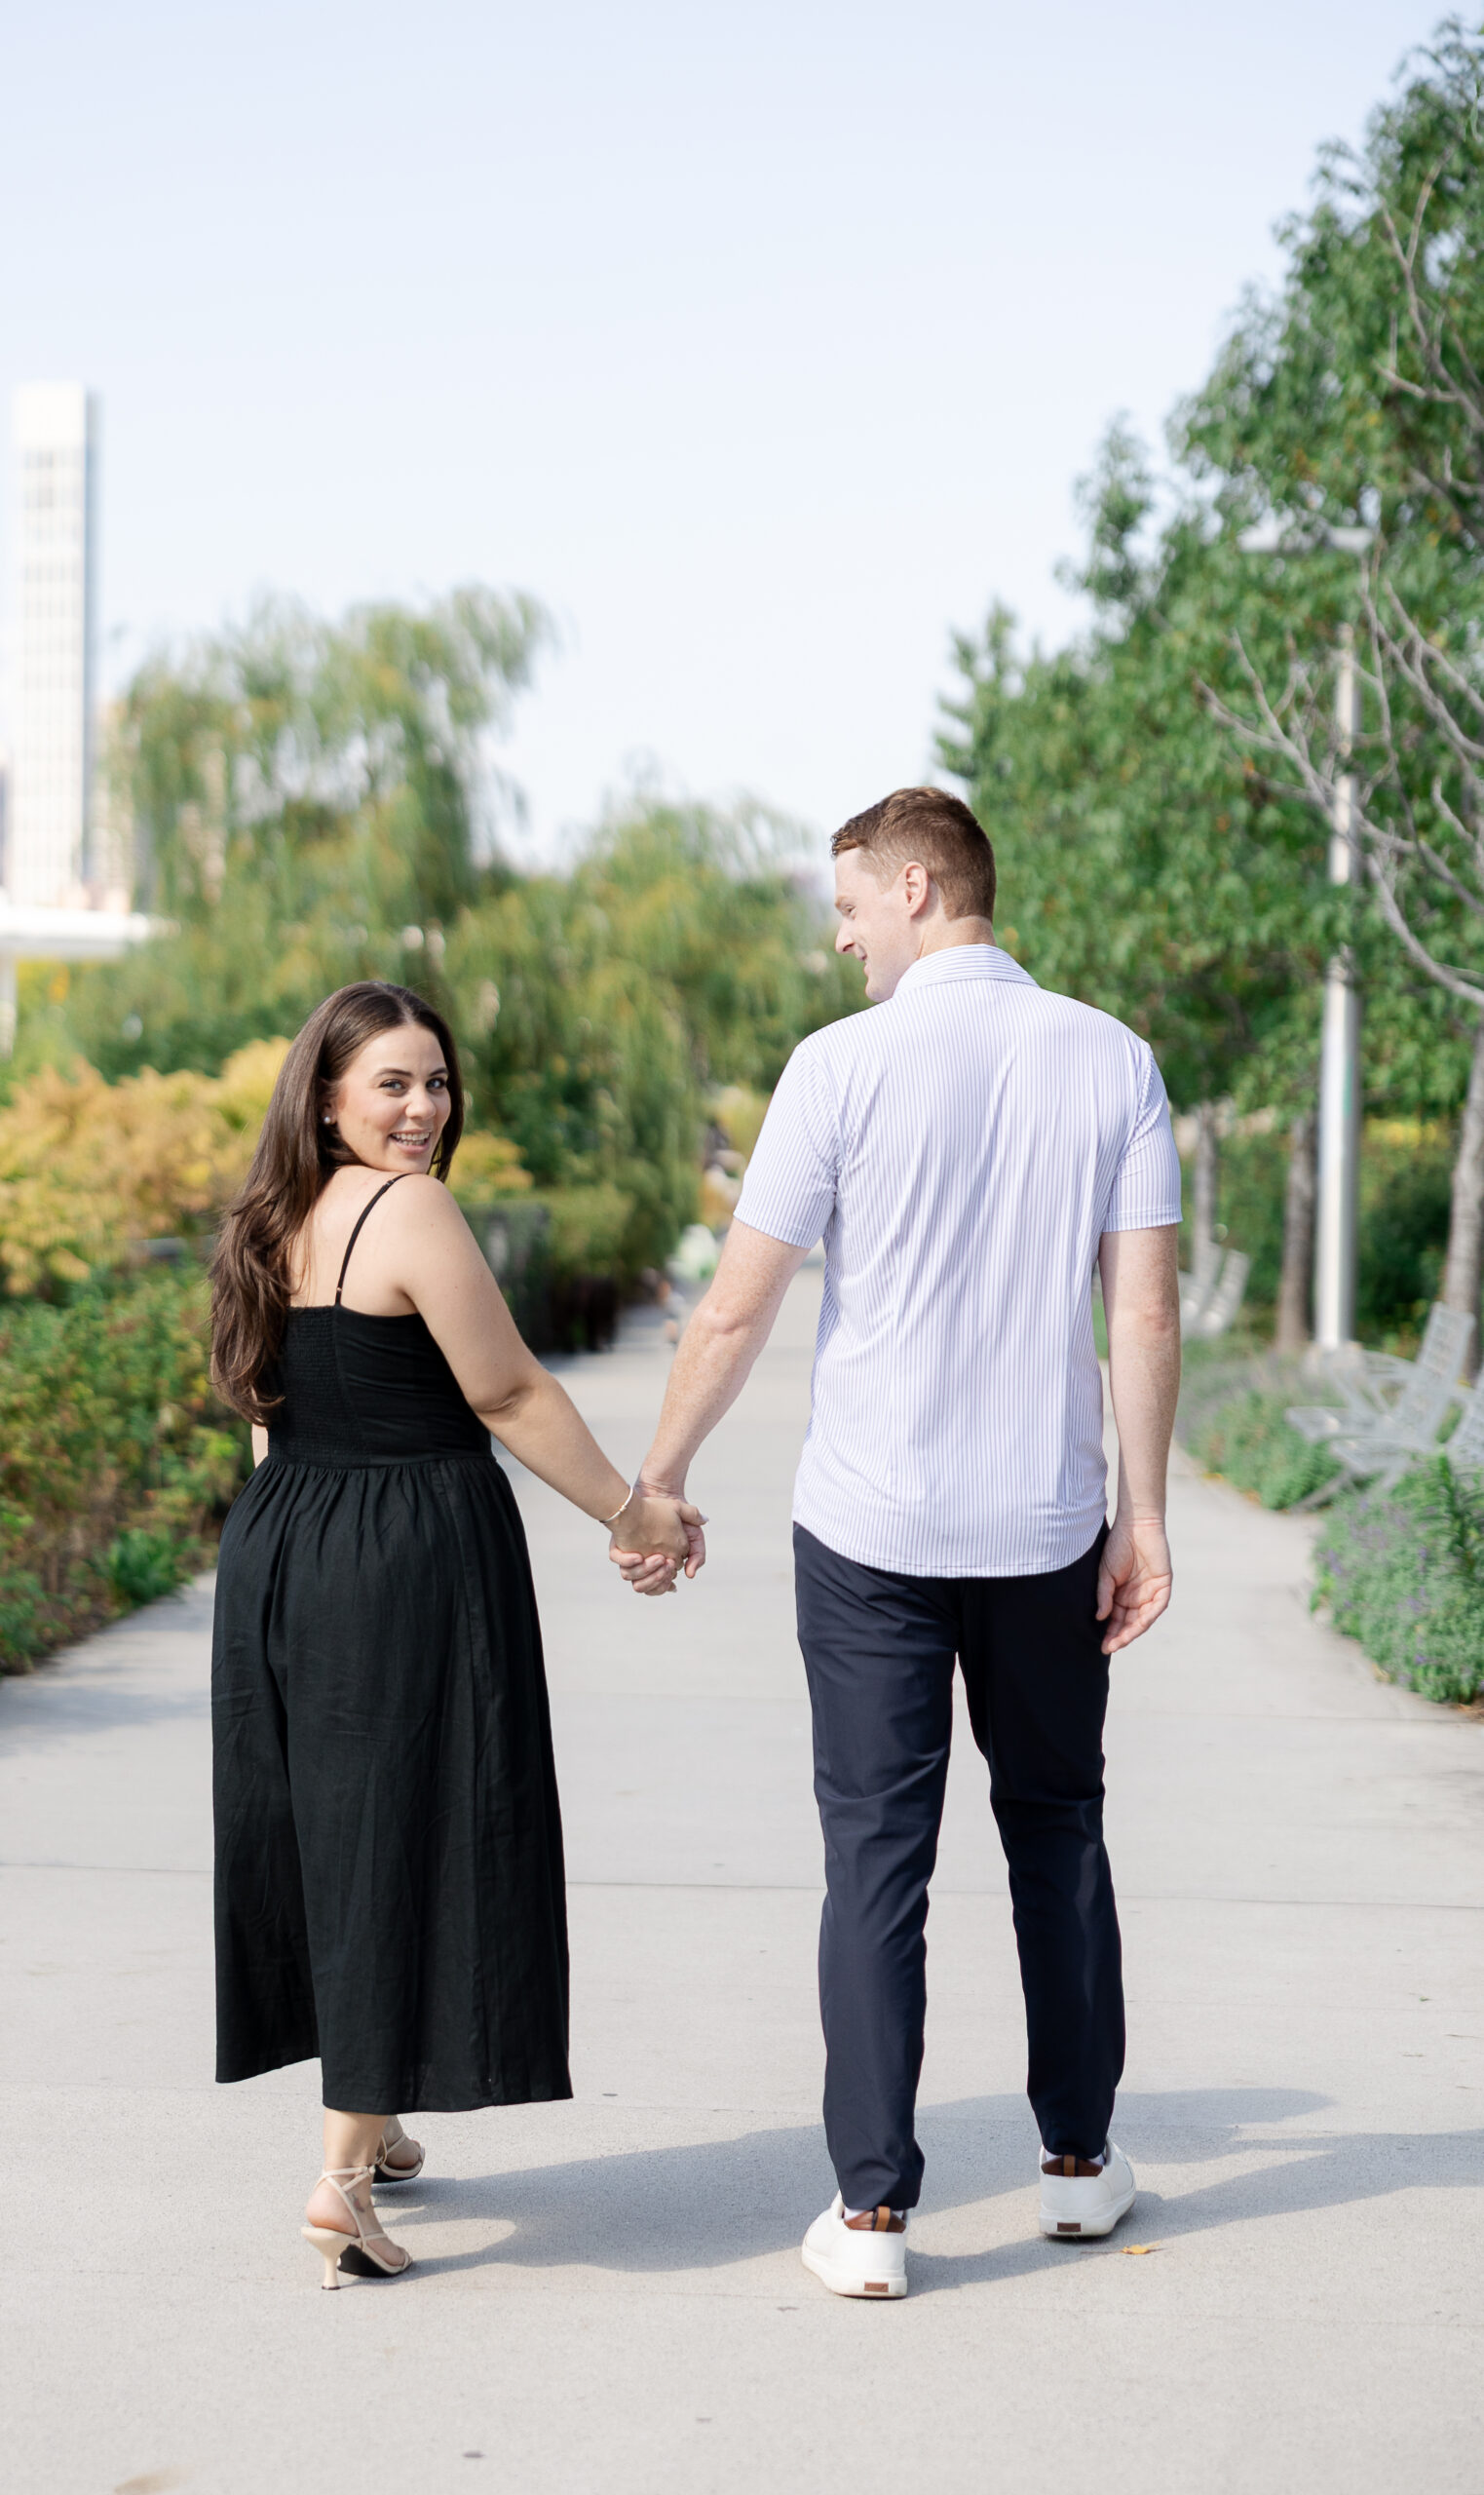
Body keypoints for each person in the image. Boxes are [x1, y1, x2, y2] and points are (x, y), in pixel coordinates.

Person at [614, 787, 1182, 2300]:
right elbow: (1141, 1311)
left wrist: (657, 1481)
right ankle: (1079, 2168)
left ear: (919, 888)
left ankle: (872, 2218)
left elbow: (735, 1308)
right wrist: (1143, 1518)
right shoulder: (1112, 1059)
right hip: (1045, 1527)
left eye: (852, 904)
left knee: (876, 1857)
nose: (842, 936)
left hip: (870, 1532)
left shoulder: (837, 1069)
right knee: (1058, 1830)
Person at [208, 980, 702, 2289]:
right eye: (393, 1084)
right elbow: (508, 1389)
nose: (423, 1108)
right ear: (328, 1098)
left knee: (333, 1833)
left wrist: (294, 1538)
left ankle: (375, 2110)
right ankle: (340, 2184)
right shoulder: (410, 1210)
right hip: (405, 1550)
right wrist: (634, 1513)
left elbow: (265, 1409)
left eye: (436, 1083)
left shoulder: (275, 1214)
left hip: (286, 1539)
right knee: (409, 1833)